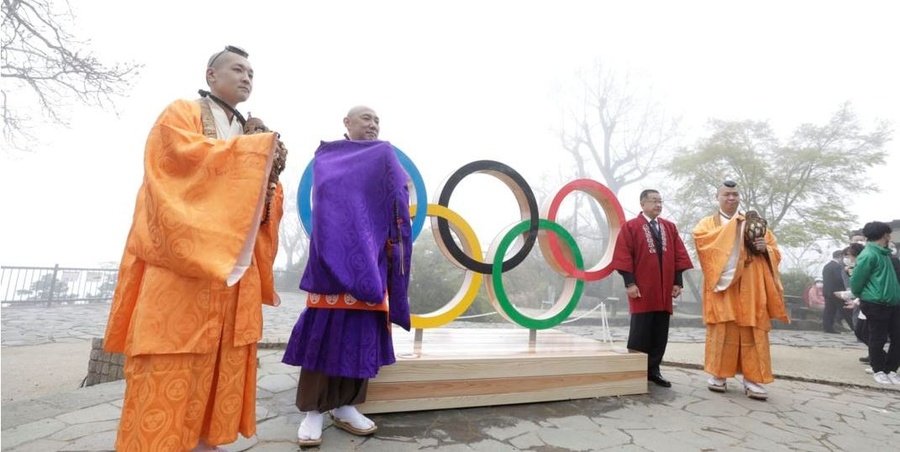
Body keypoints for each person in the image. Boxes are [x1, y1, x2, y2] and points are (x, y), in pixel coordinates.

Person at [102, 46, 286, 451]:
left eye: (252, 73)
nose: (246, 77)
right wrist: (253, 156)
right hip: (179, 274)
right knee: (168, 368)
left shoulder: (248, 130)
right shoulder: (181, 113)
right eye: (237, 69)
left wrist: (269, 178)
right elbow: (172, 164)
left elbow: (260, 204)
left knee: (218, 367)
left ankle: (204, 442)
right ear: (210, 75)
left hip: (229, 281)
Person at [282, 106, 412, 447]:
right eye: (366, 118)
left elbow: (397, 199)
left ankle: (345, 406)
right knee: (324, 333)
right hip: (330, 255)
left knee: (360, 334)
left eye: (377, 120)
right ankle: (312, 411)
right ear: (347, 123)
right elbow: (325, 200)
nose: (373, 125)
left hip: (371, 259)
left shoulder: (383, 154)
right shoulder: (327, 156)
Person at [692, 180, 789, 401]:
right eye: (726, 194)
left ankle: (752, 379)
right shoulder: (707, 224)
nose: (731, 198)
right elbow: (704, 246)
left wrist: (766, 250)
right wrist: (735, 230)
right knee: (723, 327)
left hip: (752, 286)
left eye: (735, 194)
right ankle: (719, 375)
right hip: (723, 288)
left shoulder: (753, 222)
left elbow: (774, 249)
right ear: (717, 197)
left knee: (753, 329)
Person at [612, 189, 693, 388]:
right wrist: (629, 283)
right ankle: (633, 371)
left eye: (660, 201)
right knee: (640, 331)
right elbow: (623, 256)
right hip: (642, 289)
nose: (658, 204)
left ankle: (653, 370)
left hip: (664, 290)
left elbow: (679, 256)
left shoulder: (669, 228)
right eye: (654, 201)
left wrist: (677, 282)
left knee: (659, 332)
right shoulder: (631, 227)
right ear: (642, 204)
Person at [849, 222, 900, 385]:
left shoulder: (885, 255)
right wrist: (863, 296)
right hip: (875, 303)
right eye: (888, 234)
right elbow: (856, 281)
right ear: (883, 235)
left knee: (897, 337)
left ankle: (891, 369)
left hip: (892, 302)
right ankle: (878, 369)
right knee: (877, 338)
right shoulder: (868, 255)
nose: (889, 237)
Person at [822, 249, 853, 333]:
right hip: (837, 292)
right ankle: (855, 327)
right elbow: (840, 279)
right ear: (841, 256)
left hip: (827, 291)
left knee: (829, 311)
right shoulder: (837, 267)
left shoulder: (827, 266)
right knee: (846, 311)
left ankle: (828, 327)